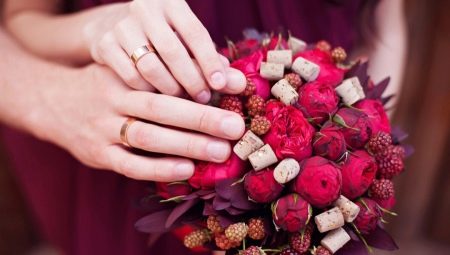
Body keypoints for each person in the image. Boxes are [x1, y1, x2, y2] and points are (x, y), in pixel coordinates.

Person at [0, 0, 406, 254]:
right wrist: (92, 31)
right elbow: (22, 17)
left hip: (301, 214)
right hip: (121, 166)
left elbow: (383, 24)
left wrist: (363, 147)